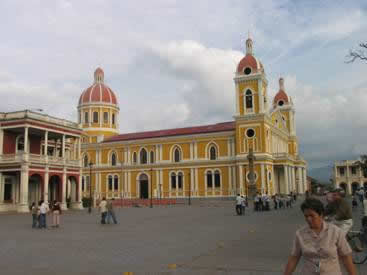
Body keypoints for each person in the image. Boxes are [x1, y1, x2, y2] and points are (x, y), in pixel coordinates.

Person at [284, 198, 356, 275]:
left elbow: (346, 256)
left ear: (321, 215)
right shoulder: (300, 234)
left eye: (312, 215)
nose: (308, 219)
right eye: (306, 216)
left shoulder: (335, 232)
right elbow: (294, 258)